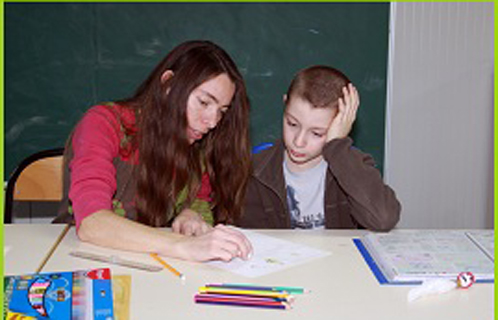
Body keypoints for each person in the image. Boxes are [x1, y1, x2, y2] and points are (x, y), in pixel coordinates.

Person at [55, 40, 253, 262]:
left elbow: (199, 200)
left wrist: (190, 215)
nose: (212, 122)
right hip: (81, 260)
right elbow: (92, 224)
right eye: (204, 102)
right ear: (167, 84)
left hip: (147, 265)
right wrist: (183, 245)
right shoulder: (103, 123)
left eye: (221, 111)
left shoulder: (196, 145)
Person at [236, 65, 401, 230]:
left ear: (340, 126)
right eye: (292, 124)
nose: (299, 141)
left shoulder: (353, 167)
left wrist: (337, 147)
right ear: (285, 104)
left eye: (317, 133)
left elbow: (383, 219)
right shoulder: (256, 170)